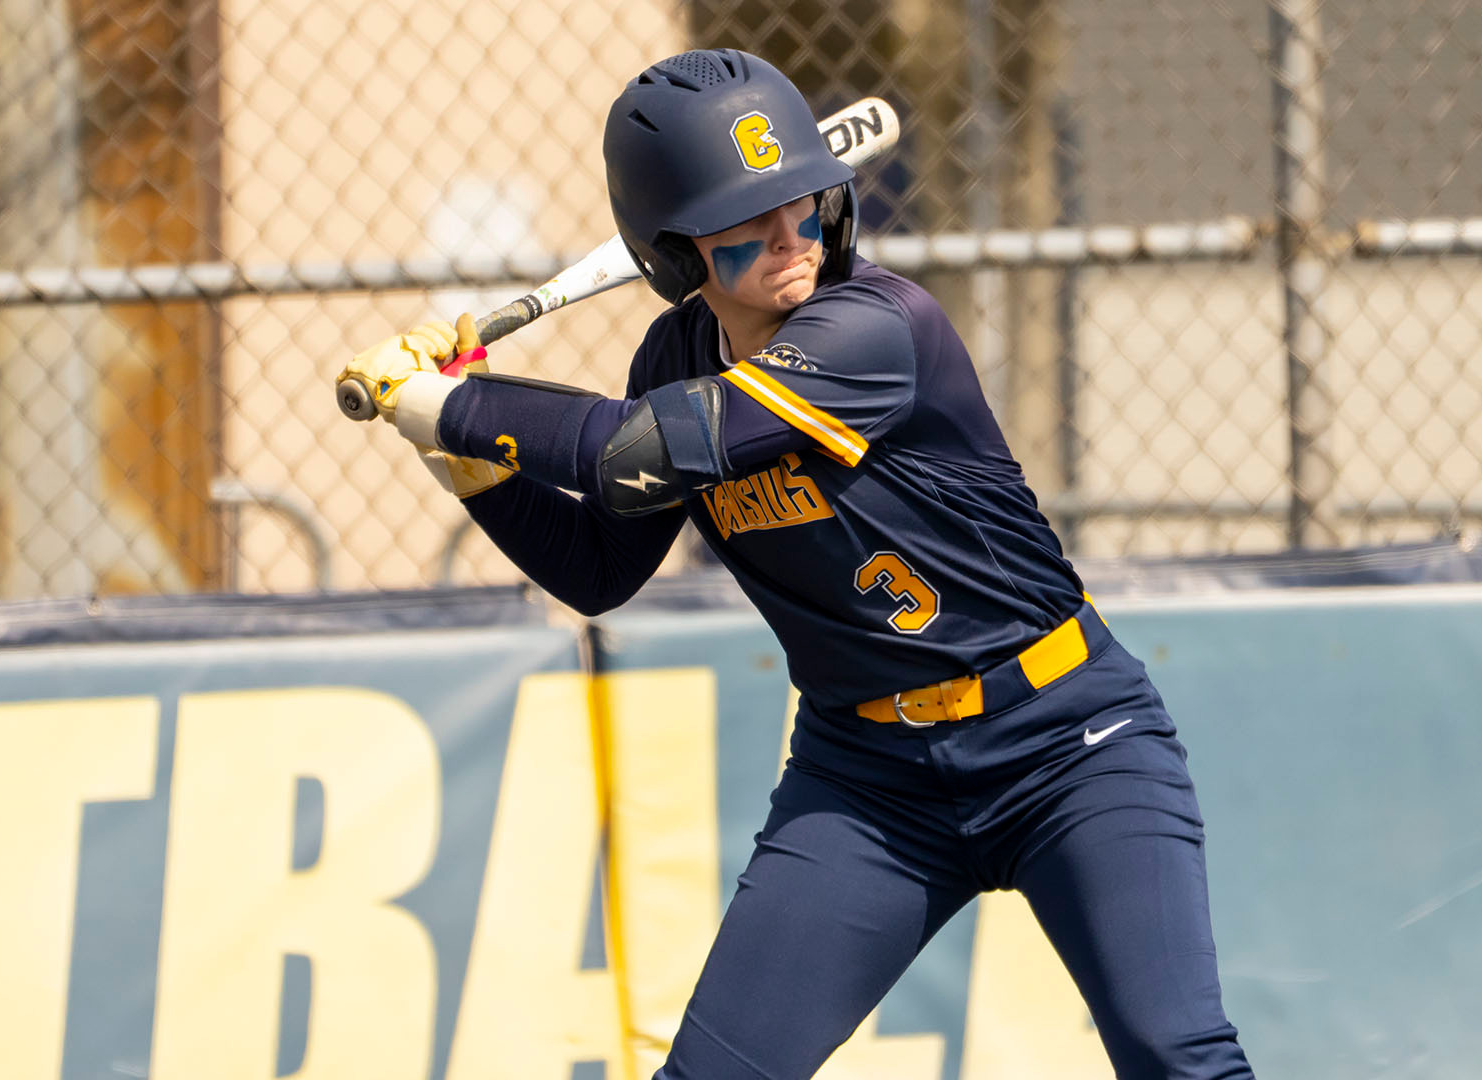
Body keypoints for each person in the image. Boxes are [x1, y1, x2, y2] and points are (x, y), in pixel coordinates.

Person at [336, 48, 1255, 1080]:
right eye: (747, 229)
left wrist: (443, 399)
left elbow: (630, 453)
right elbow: (600, 570)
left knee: (1176, 1056)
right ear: (678, 258)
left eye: (806, 207)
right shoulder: (672, 362)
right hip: (869, 781)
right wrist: (462, 456)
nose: (791, 241)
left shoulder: (876, 326)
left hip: (1064, 739)